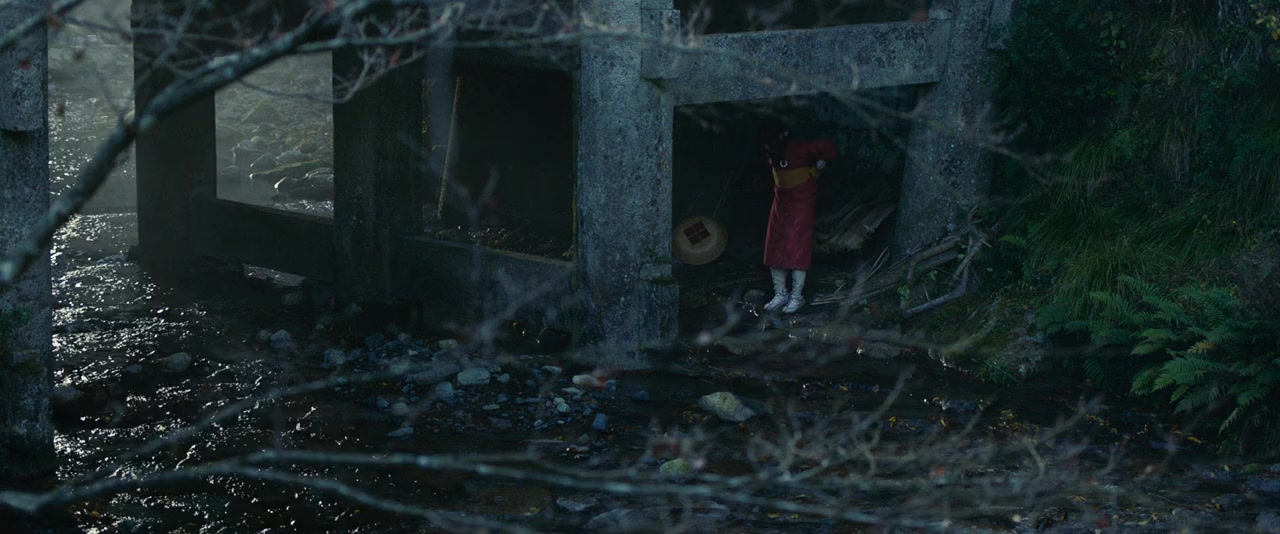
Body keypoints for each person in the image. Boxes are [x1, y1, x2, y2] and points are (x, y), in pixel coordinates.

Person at [757, 118, 837, 314]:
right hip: (780, 202)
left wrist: (818, 165)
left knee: (797, 248)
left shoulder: (799, 148)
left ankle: (796, 297)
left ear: (782, 136)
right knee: (774, 246)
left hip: (801, 204)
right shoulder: (771, 150)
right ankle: (780, 294)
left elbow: (829, 148)